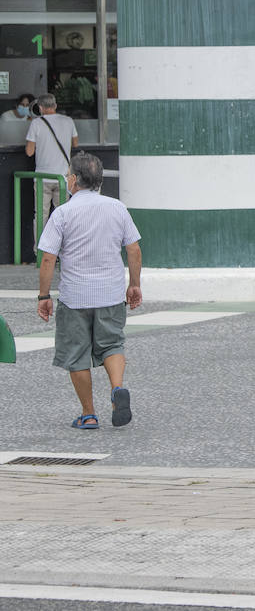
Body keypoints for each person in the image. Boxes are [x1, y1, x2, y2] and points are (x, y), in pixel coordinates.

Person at [35, 152, 142, 430]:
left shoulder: (63, 213)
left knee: (76, 354)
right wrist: (134, 284)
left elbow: (48, 258)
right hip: (110, 294)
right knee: (113, 344)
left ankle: (89, 414)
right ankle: (117, 389)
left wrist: (44, 296)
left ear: (72, 179)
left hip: (75, 297)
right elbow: (133, 249)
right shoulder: (117, 207)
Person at [25, 93, 78, 261]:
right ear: (55, 105)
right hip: (62, 178)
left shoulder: (36, 123)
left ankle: (41, 253)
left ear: (40, 108)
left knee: (41, 216)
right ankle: (66, 253)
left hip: (42, 179)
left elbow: (29, 151)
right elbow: (75, 143)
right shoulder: (68, 121)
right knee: (65, 217)